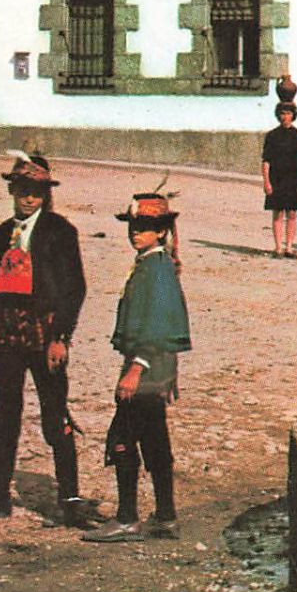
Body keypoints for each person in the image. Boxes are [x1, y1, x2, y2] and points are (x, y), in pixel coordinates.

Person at [82, 191, 192, 543]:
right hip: (157, 366)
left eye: (145, 227)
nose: (136, 233)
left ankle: (128, 517)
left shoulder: (156, 270)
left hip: (145, 367)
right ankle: (165, 515)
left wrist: (135, 368)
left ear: (161, 231)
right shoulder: (154, 264)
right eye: (134, 226)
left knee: (123, 437)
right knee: (155, 439)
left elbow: (158, 322)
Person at [0, 153, 92, 527]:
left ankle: (69, 499)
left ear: (46, 194)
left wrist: (61, 337)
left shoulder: (60, 232)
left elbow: (74, 289)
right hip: (6, 337)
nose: (29, 198)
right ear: (12, 191)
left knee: (55, 414)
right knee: (4, 414)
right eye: (23, 190)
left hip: (46, 335)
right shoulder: (2, 234)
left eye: (36, 192)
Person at [261, 102, 297, 259]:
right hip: (277, 177)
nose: (285, 117)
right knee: (277, 213)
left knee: (292, 213)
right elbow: (266, 160)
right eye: (282, 113)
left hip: (294, 177)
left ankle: (289, 247)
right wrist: (266, 181)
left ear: (293, 115)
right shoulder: (272, 136)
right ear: (278, 115)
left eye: (288, 113)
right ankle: (277, 248)